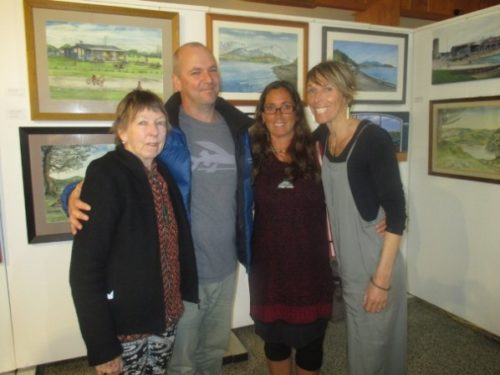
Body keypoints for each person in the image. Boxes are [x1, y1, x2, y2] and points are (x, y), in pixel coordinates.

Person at [66, 42, 254, 375]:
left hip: (225, 268)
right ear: (177, 81)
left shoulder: (238, 128)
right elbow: (110, 173)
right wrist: (70, 193)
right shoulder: (169, 130)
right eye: (195, 71)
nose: (207, 78)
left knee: (212, 353)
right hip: (182, 276)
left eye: (212, 69)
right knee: (180, 363)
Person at [69, 89, 198, 375]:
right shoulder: (106, 174)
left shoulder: (162, 174)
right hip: (125, 327)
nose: (154, 132)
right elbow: (84, 270)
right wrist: (102, 347)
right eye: (142, 123)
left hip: (164, 317)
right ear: (122, 132)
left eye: (160, 122)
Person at [307, 61, 407, 375]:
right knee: (367, 345)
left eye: (328, 88)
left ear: (347, 94)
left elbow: (398, 209)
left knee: (370, 350)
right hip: (349, 263)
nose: (318, 97)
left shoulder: (372, 139)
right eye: (312, 89)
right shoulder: (321, 138)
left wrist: (381, 280)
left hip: (375, 260)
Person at [249, 80, 334, 375]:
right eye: (270, 108)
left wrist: (379, 213)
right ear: (262, 115)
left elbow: (350, 190)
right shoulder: (250, 155)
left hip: (311, 267)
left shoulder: (319, 151)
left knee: (311, 346)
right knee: (275, 343)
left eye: (286, 106)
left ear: (297, 112)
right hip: (269, 269)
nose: (279, 114)